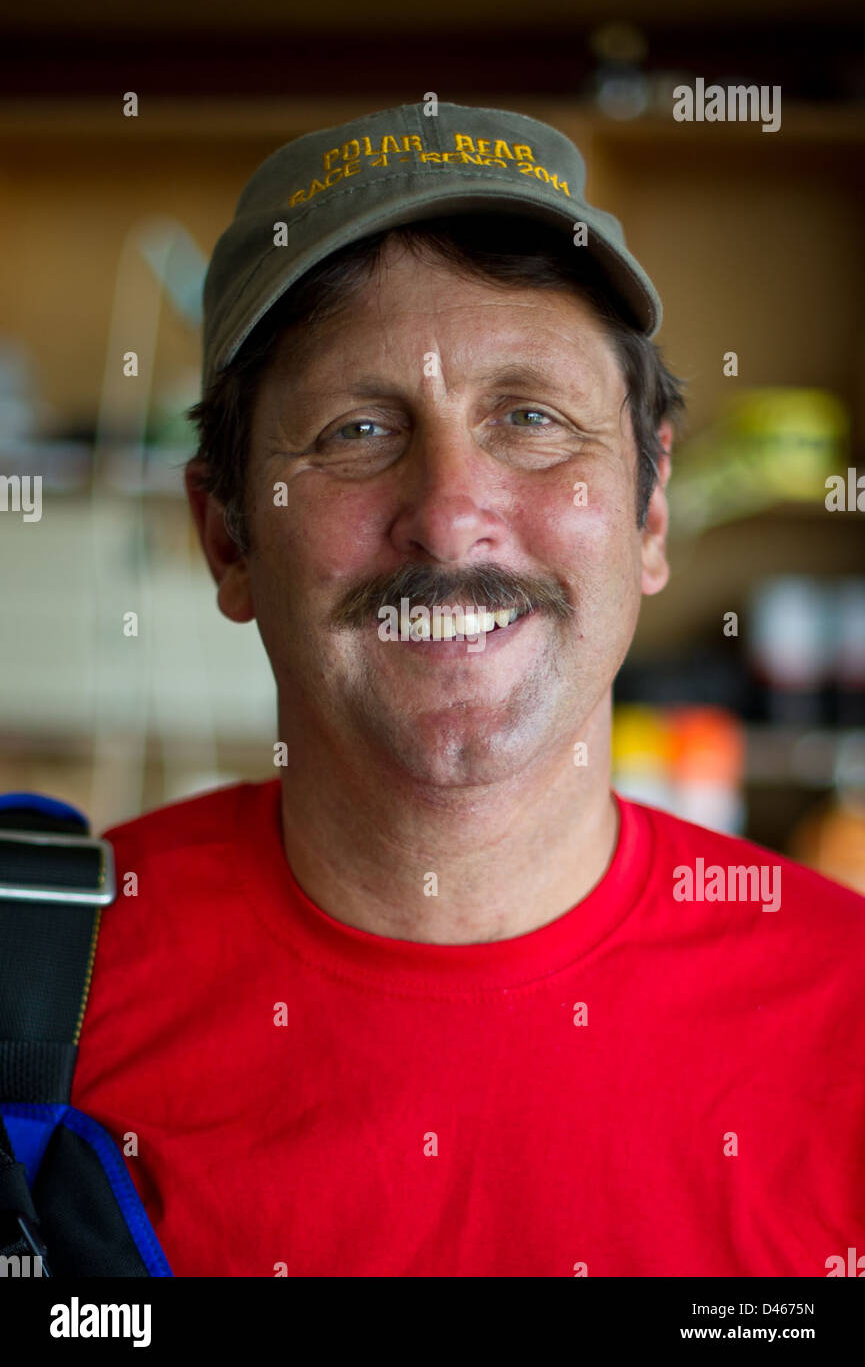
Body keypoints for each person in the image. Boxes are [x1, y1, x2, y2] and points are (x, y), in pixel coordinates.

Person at [70, 102, 865, 1277]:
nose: (448, 515)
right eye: (355, 430)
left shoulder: (849, 1021)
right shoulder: (42, 1001)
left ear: (650, 512)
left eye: (531, 418)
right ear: (228, 537)